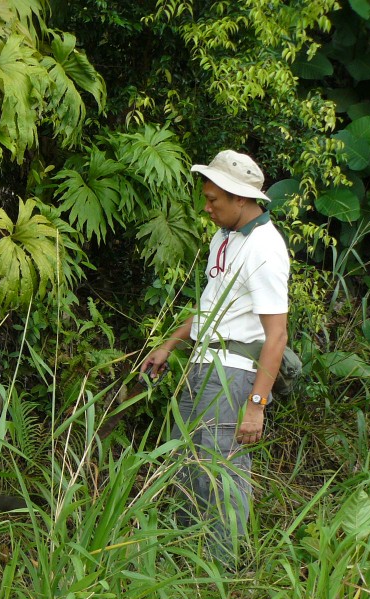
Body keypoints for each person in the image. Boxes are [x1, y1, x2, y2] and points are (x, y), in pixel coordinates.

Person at [141, 151, 289, 565]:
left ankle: (219, 570)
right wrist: (170, 344)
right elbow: (212, 307)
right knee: (186, 462)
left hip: (235, 373)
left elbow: (277, 334)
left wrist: (256, 405)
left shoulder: (265, 248)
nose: (206, 208)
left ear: (241, 198)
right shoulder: (223, 238)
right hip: (202, 365)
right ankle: (186, 558)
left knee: (222, 470)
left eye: (213, 200)